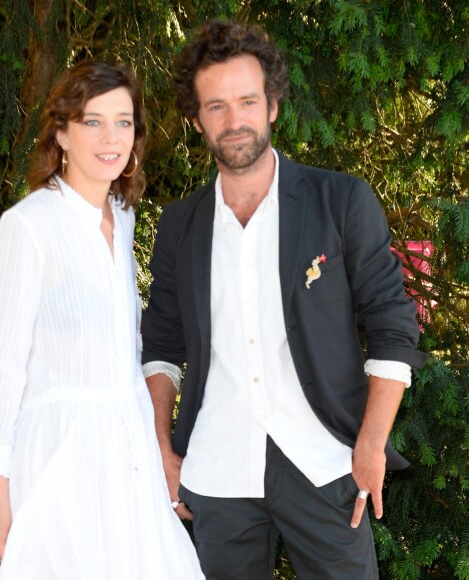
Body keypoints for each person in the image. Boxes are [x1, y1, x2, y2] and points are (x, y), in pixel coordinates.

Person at [141, 19, 428, 580]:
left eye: (247, 100)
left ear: (272, 105)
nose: (234, 120)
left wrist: (371, 444)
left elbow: (393, 325)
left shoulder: (339, 200)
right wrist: (161, 450)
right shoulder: (179, 225)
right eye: (216, 106)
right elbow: (161, 345)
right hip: (216, 469)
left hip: (325, 462)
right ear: (196, 119)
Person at [0, 61, 204, 579]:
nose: (111, 137)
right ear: (62, 133)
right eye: (93, 121)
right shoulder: (26, 227)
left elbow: (125, 360)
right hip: (54, 465)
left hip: (127, 467)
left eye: (124, 121)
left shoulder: (124, 217)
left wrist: (158, 464)